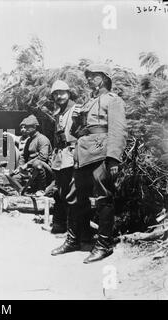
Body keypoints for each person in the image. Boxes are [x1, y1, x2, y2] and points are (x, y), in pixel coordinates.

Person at [51, 64, 127, 263]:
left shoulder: (113, 100)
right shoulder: (88, 103)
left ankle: (103, 245)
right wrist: (76, 122)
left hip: (102, 153)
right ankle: (74, 240)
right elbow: (78, 133)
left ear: (103, 78)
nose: (89, 79)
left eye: (93, 76)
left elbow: (118, 130)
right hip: (83, 153)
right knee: (74, 196)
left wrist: (113, 158)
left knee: (103, 198)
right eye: (89, 76)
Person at [49, 80, 78, 234]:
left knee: (73, 194)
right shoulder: (58, 113)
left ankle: (75, 231)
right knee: (60, 192)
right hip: (60, 157)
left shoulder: (77, 110)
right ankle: (61, 225)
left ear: (69, 93)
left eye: (62, 92)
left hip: (73, 155)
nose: (59, 96)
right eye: (55, 94)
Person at [11, 115, 52, 193]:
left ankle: (41, 189)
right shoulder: (29, 140)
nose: (24, 129)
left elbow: (43, 157)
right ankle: (24, 189)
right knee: (14, 178)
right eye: (22, 127)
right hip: (31, 170)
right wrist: (19, 168)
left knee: (37, 164)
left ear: (34, 127)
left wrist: (27, 165)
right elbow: (23, 156)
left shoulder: (42, 139)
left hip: (43, 170)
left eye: (26, 127)